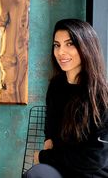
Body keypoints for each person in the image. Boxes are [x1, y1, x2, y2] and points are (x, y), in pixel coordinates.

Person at [23, 19, 108, 178]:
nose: (61, 52)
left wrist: (44, 157)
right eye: (57, 45)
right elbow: (50, 134)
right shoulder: (56, 86)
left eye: (70, 44)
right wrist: (50, 144)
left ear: (86, 47)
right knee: (36, 173)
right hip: (61, 169)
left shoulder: (103, 96)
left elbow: (95, 159)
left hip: (93, 174)